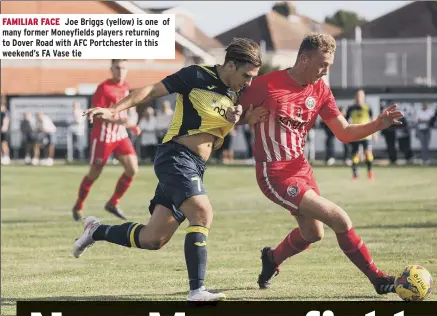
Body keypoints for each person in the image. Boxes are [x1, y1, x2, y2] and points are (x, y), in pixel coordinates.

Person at [72, 38, 267, 301]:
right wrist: (113, 110)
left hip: (194, 166)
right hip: (176, 158)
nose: (250, 82)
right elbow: (150, 91)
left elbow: (213, 132)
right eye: (247, 75)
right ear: (230, 65)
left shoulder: (232, 93)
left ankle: (96, 230)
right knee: (202, 213)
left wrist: (240, 118)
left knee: (154, 238)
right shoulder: (195, 75)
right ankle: (197, 291)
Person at [237, 33, 403, 296]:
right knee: (339, 218)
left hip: (301, 169)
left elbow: (344, 132)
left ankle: (271, 258)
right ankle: (378, 279)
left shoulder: (321, 90)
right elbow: (228, 115)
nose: (325, 72)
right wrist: (245, 120)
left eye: (329, 66)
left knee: (313, 233)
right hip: (275, 173)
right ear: (303, 59)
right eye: (322, 64)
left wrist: (377, 125)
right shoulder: (265, 85)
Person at [71, 59, 141, 222]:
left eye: (124, 68)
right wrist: (118, 121)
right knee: (94, 173)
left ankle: (113, 202)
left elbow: (128, 109)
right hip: (103, 137)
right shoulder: (103, 88)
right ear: (111, 69)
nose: (121, 71)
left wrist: (131, 125)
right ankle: (78, 206)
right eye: (117, 68)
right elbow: (97, 113)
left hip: (120, 135)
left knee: (132, 168)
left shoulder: (126, 86)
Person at [345, 89, 375, 180]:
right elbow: (345, 121)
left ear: (364, 97)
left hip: (367, 135)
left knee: (368, 153)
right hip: (356, 135)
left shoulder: (368, 107)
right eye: (357, 95)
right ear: (355, 97)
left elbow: (372, 120)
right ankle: (355, 174)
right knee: (355, 154)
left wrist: (374, 134)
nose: (359, 97)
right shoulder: (351, 108)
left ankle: (370, 172)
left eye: (361, 96)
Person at [1, 100, 10, 165]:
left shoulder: (5, 113)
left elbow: (6, 121)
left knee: (4, 144)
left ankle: (6, 157)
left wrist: (4, 128)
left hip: (4, 131)